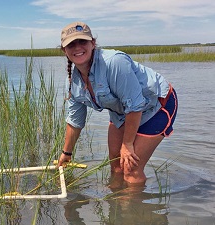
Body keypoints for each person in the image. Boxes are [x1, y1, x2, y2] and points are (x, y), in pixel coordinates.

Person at [57, 21, 178, 184]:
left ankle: (132, 208)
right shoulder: (72, 82)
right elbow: (75, 121)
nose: (77, 48)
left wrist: (127, 144)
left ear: (92, 43)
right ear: (64, 50)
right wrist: (67, 153)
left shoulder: (114, 62)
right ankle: (115, 205)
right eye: (71, 44)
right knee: (115, 164)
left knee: (131, 169)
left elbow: (135, 105)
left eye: (82, 41)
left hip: (156, 105)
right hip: (123, 111)